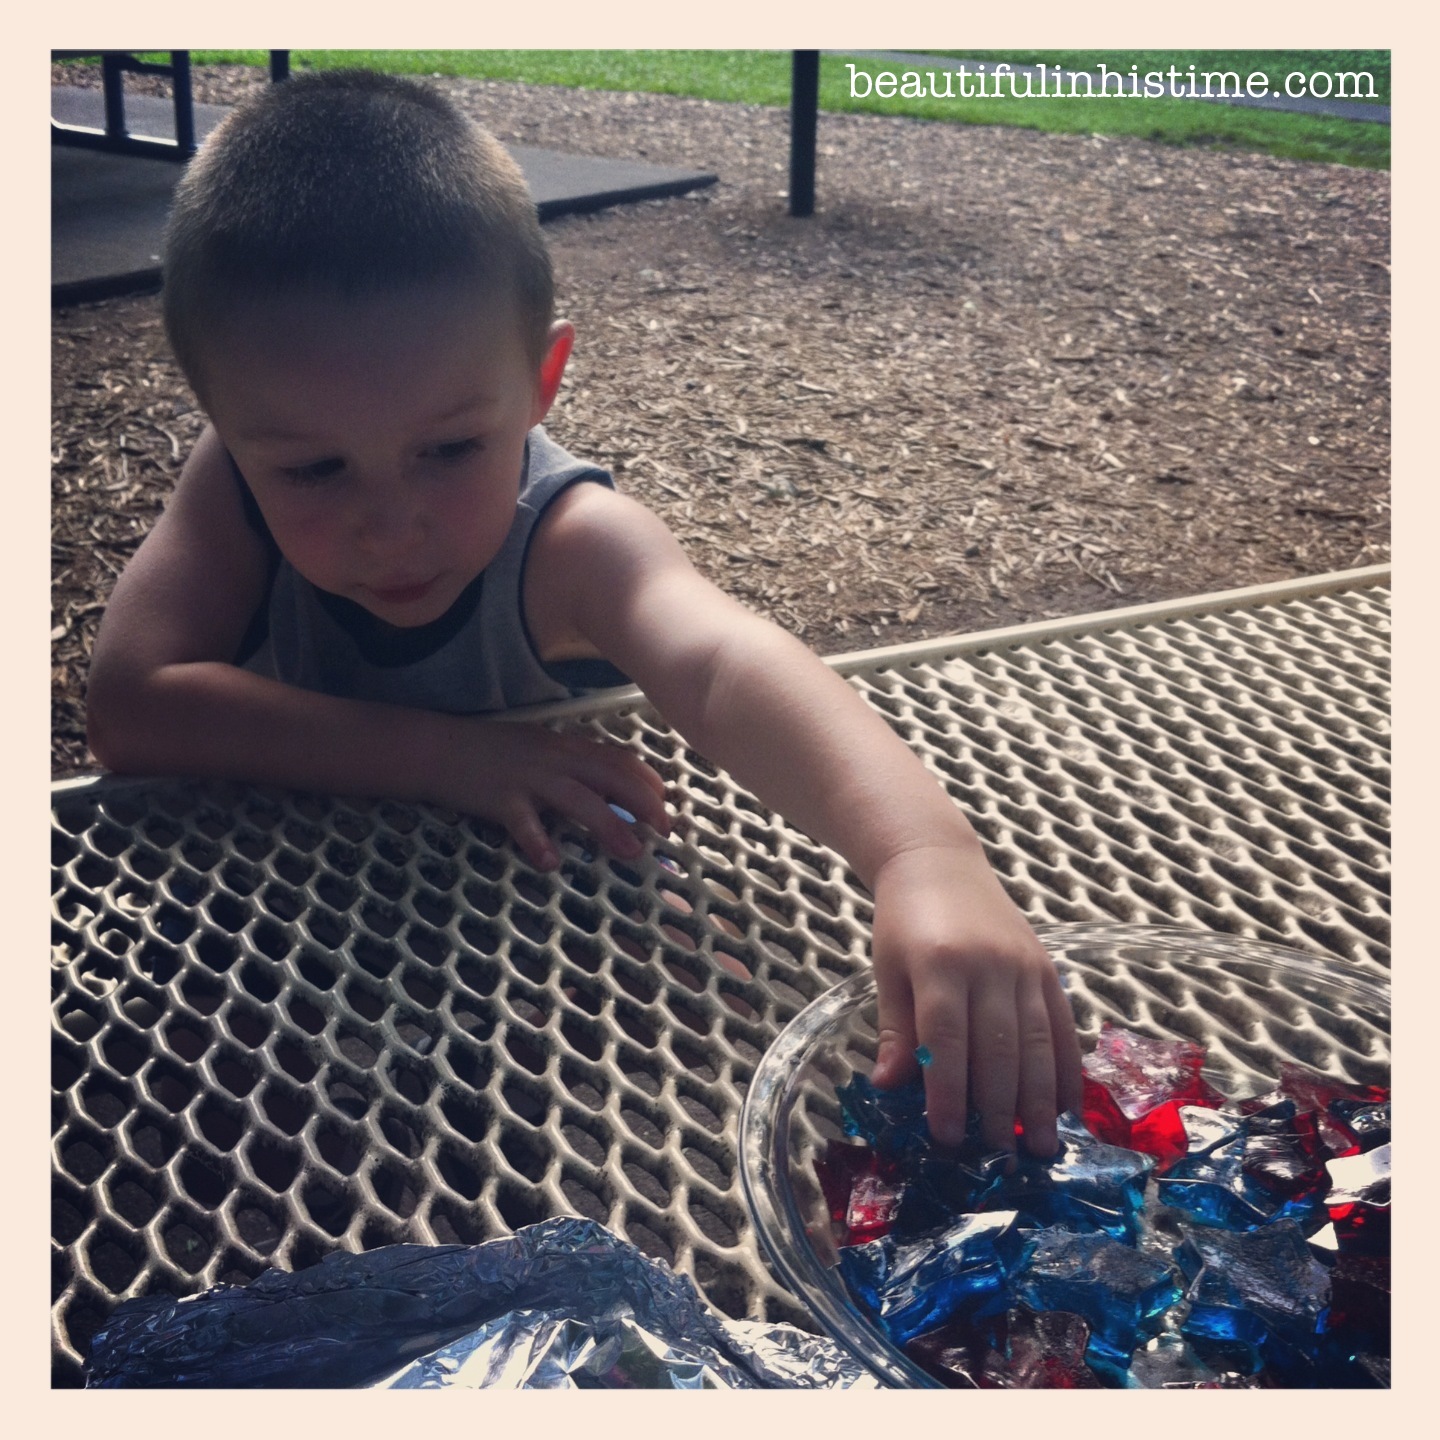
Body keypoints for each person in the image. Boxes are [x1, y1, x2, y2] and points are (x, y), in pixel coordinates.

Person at [86, 70, 1082, 1157]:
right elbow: (131, 707)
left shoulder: (566, 542)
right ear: (226, 425)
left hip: (548, 1004)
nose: (392, 524)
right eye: (315, 470)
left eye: (452, 449)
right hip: (278, 967)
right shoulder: (232, 481)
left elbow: (723, 662)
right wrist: (449, 758)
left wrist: (922, 858)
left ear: (542, 379)